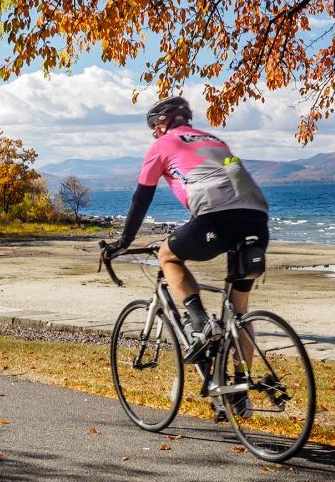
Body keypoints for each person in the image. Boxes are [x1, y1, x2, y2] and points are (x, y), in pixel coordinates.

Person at [102, 96, 270, 364]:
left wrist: (124, 241)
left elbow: (141, 198)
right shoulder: (216, 141)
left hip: (217, 218)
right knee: (239, 313)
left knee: (168, 256)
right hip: (257, 219)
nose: (154, 134)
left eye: (153, 129)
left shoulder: (162, 144)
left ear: (161, 124)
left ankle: (201, 322)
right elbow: (236, 183)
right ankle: (240, 390)